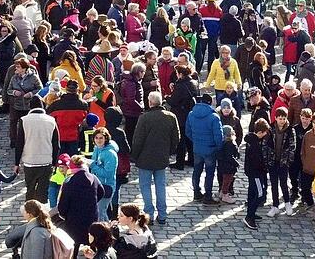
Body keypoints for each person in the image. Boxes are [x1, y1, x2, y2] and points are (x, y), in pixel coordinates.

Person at [131, 91, 180, 224]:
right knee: (161, 185)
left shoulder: (144, 118)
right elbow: (176, 138)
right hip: (161, 157)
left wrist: (134, 156)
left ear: (150, 102)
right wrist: (169, 151)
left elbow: (138, 140)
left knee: (145, 186)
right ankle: (162, 214)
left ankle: (149, 215)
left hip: (145, 158)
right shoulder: (170, 117)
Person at [57, 156, 106, 250]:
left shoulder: (69, 182)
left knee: (74, 242)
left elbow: (63, 203)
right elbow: (101, 192)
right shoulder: (93, 178)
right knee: (91, 239)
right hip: (91, 216)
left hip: (74, 219)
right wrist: (92, 202)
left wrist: (63, 214)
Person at [185, 93, 223, 205]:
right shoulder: (214, 117)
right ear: (210, 102)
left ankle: (196, 192)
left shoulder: (191, 114)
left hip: (197, 148)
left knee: (197, 171)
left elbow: (188, 132)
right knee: (209, 173)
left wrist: (196, 141)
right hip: (210, 149)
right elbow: (218, 136)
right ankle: (207, 196)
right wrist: (219, 147)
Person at [265, 106, 297, 217]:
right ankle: (275, 206)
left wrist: (289, 161)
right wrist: (267, 159)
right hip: (273, 161)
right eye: (280, 118)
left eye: (284, 118)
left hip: (284, 162)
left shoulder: (290, 130)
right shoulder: (270, 129)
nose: (282, 121)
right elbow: (266, 145)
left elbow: (293, 146)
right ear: (276, 118)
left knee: (283, 183)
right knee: (274, 184)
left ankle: (287, 203)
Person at [90, 128, 119, 222]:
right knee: (100, 212)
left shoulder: (110, 154)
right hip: (97, 184)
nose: (98, 140)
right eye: (96, 138)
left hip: (106, 186)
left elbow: (108, 173)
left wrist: (92, 166)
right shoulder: (97, 148)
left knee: (100, 213)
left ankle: (105, 234)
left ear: (106, 138)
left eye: (101, 138)